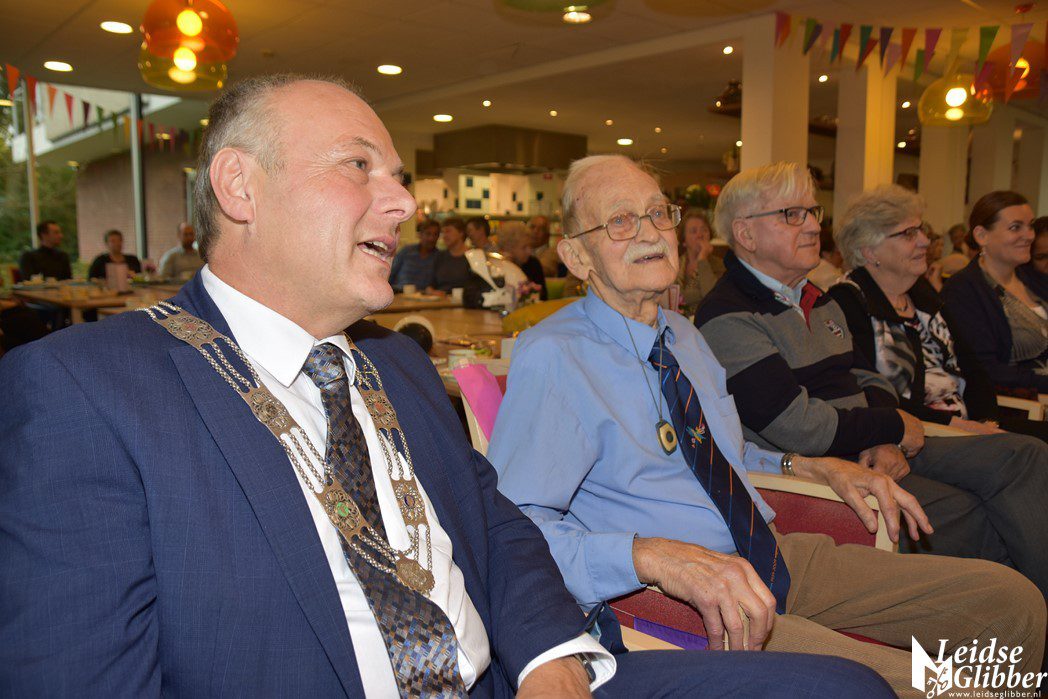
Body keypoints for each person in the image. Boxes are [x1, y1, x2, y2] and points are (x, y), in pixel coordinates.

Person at [3, 75, 900, 699]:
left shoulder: (395, 363)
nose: (403, 202)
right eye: (360, 166)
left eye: (398, 177)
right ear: (240, 185)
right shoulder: (87, 387)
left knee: (847, 688)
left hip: (520, 677)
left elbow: (500, 530)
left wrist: (551, 656)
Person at [488, 155, 1045, 696]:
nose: (650, 232)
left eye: (658, 213)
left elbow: (717, 451)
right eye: (620, 220)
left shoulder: (683, 335)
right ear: (575, 255)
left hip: (771, 552)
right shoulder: (555, 355)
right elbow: (511, 529)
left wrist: (811, 466)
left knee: (1010, 602)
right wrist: (649, 554)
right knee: (937, 687)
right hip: (686, 596)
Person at [694, 163, 1048, 596]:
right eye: (792, 215)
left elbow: (867, 376)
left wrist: (885, 434)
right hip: (825, 469)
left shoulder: (817, 298)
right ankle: (1018, 615)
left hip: (873, 443)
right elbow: (798, 426)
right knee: (972, 509)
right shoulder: (728, 316)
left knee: (1025, 455)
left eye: (812, 212)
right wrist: (890, 426)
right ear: (746, 234)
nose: (813, 227)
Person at [827, 185, 1046, 442]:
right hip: (913, 436)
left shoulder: (921, 294)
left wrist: (987, 422)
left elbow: (974, 370)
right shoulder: (849, 301)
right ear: (870, 250)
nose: (925, 241)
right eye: (909, 233)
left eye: (922, 230)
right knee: (1032, 450)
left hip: (966, 425)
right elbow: (871, 394)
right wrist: (962, 427)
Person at [943, 191, 1048, 394]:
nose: (1029, 236)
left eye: (1030, 226)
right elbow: (985, 370)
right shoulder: (963, 290)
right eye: (1015, 227)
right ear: (982, 235)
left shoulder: (1032, 278)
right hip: (1016, 401)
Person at [676, 209, 724, 315]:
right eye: (694, 231)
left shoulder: (719, 265)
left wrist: (702, 260)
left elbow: (713, 298)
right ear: (684, 241)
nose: (700, 235)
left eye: (704, 230)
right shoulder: (674, 265)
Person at [496, 221, 547, 300]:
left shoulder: (533, 264)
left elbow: (542, 297)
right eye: (524, 247)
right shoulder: (496, 267)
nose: (529, 251)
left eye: (530, 246)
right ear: (508, 249)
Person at [388, 218, 439, 290]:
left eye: (435, 234)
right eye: (428, 234)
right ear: (420, 235)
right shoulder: (407, 251)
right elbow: (390, 273)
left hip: (423, 295)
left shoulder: (439, 257)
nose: (431, 238)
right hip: (399, 292)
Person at [431, 217, 473, 292]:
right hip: (441, 298)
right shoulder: (440, 256)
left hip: (465, 299)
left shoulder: (473, 257)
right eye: (443, 232)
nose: (444, 236)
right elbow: (430, 285)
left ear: (461, 233)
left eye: (448, 231)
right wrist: (432, 292)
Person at [805, 225, 842, 290]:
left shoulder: (804, 271)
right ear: (826, 254)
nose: (841, 257)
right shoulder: (834, 277)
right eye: (838, 253)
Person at [923, 226, 945, 291]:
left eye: (942, 245)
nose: (941, 249)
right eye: (937, 245)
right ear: (928, 247)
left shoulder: (937, 266)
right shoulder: (923, 266)